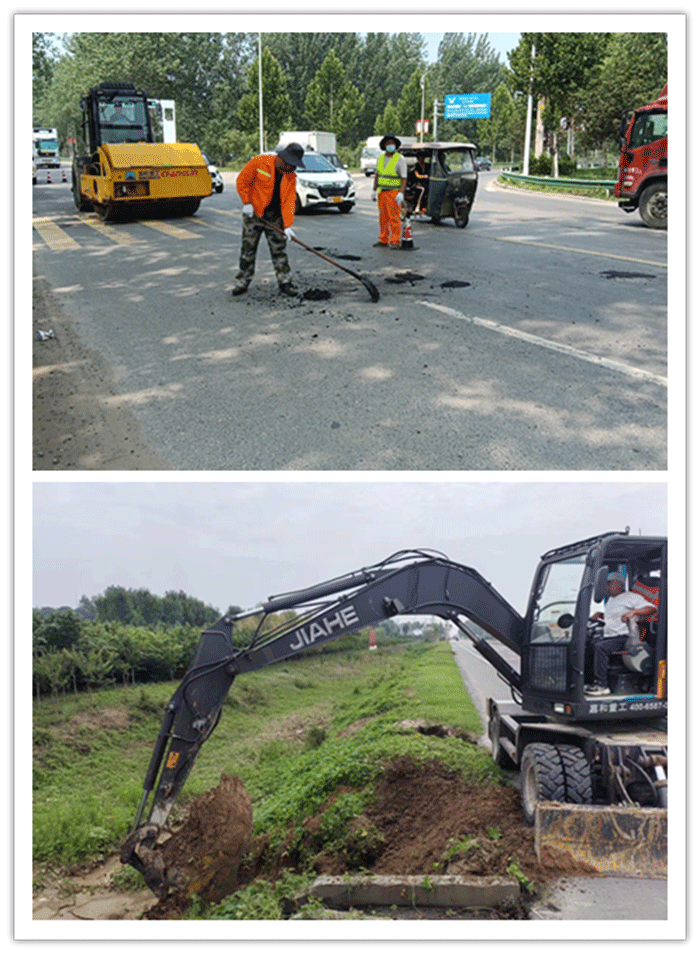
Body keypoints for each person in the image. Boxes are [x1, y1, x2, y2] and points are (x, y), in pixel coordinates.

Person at [231, 142, 304, 297]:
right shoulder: (259, 163)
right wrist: (247, 202)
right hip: (254, 214)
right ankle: (242, 281)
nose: (294, 169)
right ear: (283, 159)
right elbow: (242, 181)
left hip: (275, 217)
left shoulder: (290, 176)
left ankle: (285, 282)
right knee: (248, 249)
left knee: (279, 250)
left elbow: (289, 201)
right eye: (292, 165)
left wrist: (288, 226)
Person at [585, 571, 657, 696]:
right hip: (610, 637)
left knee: (600, 647)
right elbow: (615, 618)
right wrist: (602, 616)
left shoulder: (631, 597)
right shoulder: (612, 600)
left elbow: (651, 609)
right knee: (589, 644)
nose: (606, 587)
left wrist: (634, 612)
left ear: (618, 584)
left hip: (624, 638)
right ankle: (590, 682)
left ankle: (602, 685)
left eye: (609, 584)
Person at [371, 135, 407, 248]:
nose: (390, 145)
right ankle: (383, 239)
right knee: (383, 218)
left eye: (392, 143)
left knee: (394, 218)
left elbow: (404, 178)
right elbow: (377, 175)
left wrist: (401, 192)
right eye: (388, 143)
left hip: (393, 193)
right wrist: (374, 190)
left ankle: (395, 240)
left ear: (396, 145)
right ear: (383, 145)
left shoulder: (399, 159)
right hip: (382, 192)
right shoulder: (380, 158)